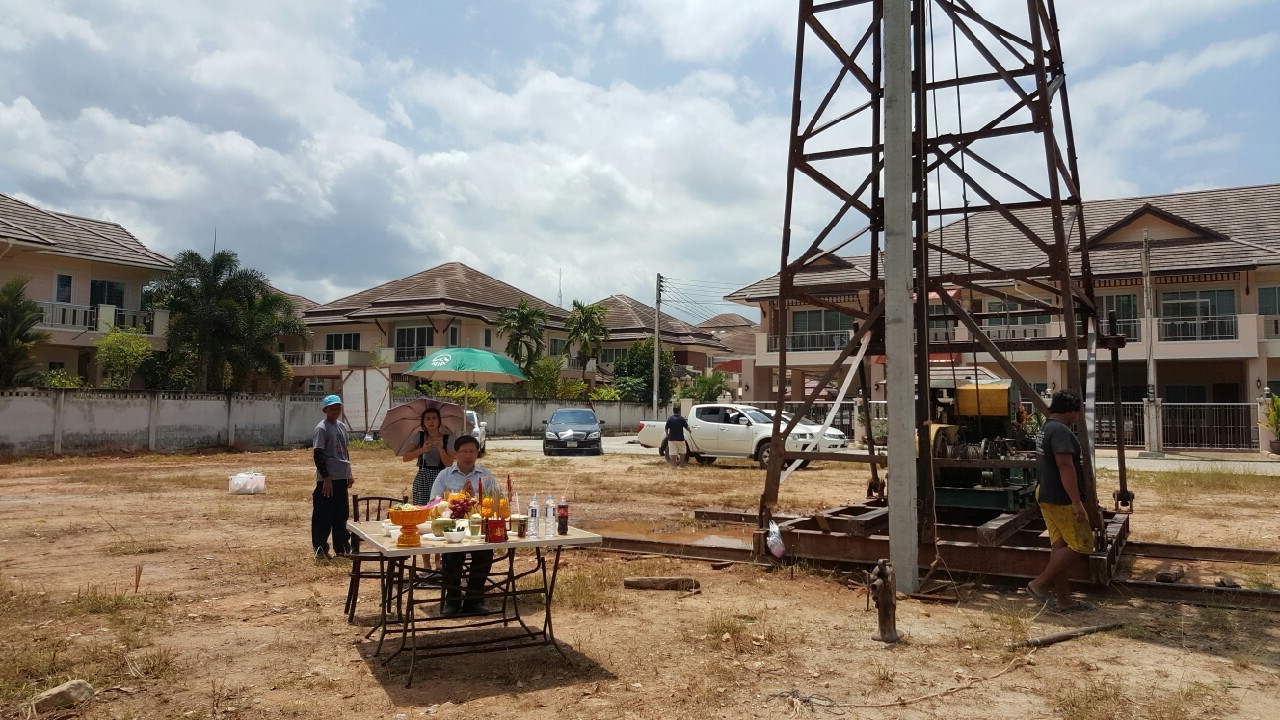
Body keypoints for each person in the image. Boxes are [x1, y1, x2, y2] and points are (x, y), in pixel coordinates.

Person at [1027, 389, 1097, 613]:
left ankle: (1064, 600)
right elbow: (1065, 466)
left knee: (1060, 547)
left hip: (1045, 493)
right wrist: (1076, 502)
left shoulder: (1046, 428)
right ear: (1071, 410)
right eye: (1077, 412)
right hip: (1062, 498)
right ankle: (1039, 584)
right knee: (1082, 545)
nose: (1077, 417)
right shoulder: (1060, 431)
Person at [428, 434, 499, 616]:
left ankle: (474, 599)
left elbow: (497, 501)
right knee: (452, 557)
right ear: (455, 454)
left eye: (472, 452)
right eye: (464, 452)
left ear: (477, 454)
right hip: (453, 527)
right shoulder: (445, 475)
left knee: (484, 553)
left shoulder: (485, 475)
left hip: (478, 526)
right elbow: (433, 502)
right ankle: (452, 600)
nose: (468, 456)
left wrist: (475, 497)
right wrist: (457, 497)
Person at [312, 394, 354, 560]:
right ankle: (320, 549)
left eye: (338, 407)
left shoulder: (341, 426)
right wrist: (326, 478)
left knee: (341, 514)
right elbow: (318, 454)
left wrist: (349, 473)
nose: (336, 410)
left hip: (341, 476)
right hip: (328, 480)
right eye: (332, 408)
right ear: (325, 410)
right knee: (323, 515)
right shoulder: (322, 428)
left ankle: (342, 548)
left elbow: (344, 451)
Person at [402, 407, 455, 505]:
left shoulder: (448, 438)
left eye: (434, 418)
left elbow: (449, 463)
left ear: (439, 421)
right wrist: (421, 450)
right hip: (423, 477)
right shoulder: (420, 436)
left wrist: (441, 449)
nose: (431, 421)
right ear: (423, 422)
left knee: (440, 507)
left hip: (442, 476)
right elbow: (405, 458)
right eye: (428, 419)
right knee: (422, 507)